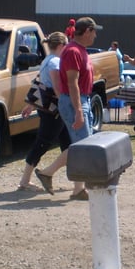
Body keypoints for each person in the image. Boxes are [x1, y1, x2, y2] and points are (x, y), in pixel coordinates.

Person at [18, 32, 72, 192]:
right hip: (54, 111)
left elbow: (41, 87)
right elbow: (56, 89)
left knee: (69, 144)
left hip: (50, 110)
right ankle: (26, 180)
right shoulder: (55, 63)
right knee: (43, 143)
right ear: (62, 45)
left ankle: (77, 183)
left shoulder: (47, 61)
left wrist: (31, 105)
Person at [56, 16, 100, 200]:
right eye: (94, 31)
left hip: (82, 99)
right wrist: (79, 111)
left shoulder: (80, 50)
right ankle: (48, 173)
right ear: (87, 31)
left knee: (81, 145)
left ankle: (78, 189)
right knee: (83, 147)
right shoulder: (73, 51)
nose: (95, 36)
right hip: (75, 100)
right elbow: (72, 83)